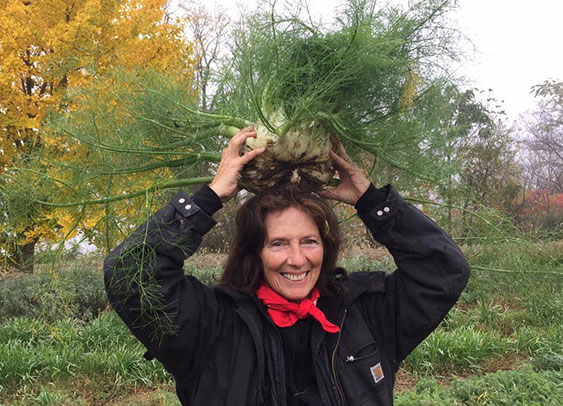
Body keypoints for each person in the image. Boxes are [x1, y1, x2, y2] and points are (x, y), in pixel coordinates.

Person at [104, 127, 470, 406]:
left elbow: (443, 270)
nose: (297, 259)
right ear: (254, 252)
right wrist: (209, 197)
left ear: (325, 247)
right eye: (278, 243)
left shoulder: (364, 314)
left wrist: (373, 202)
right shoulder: (211, 324)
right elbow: (129, 275)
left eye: (309, 241)